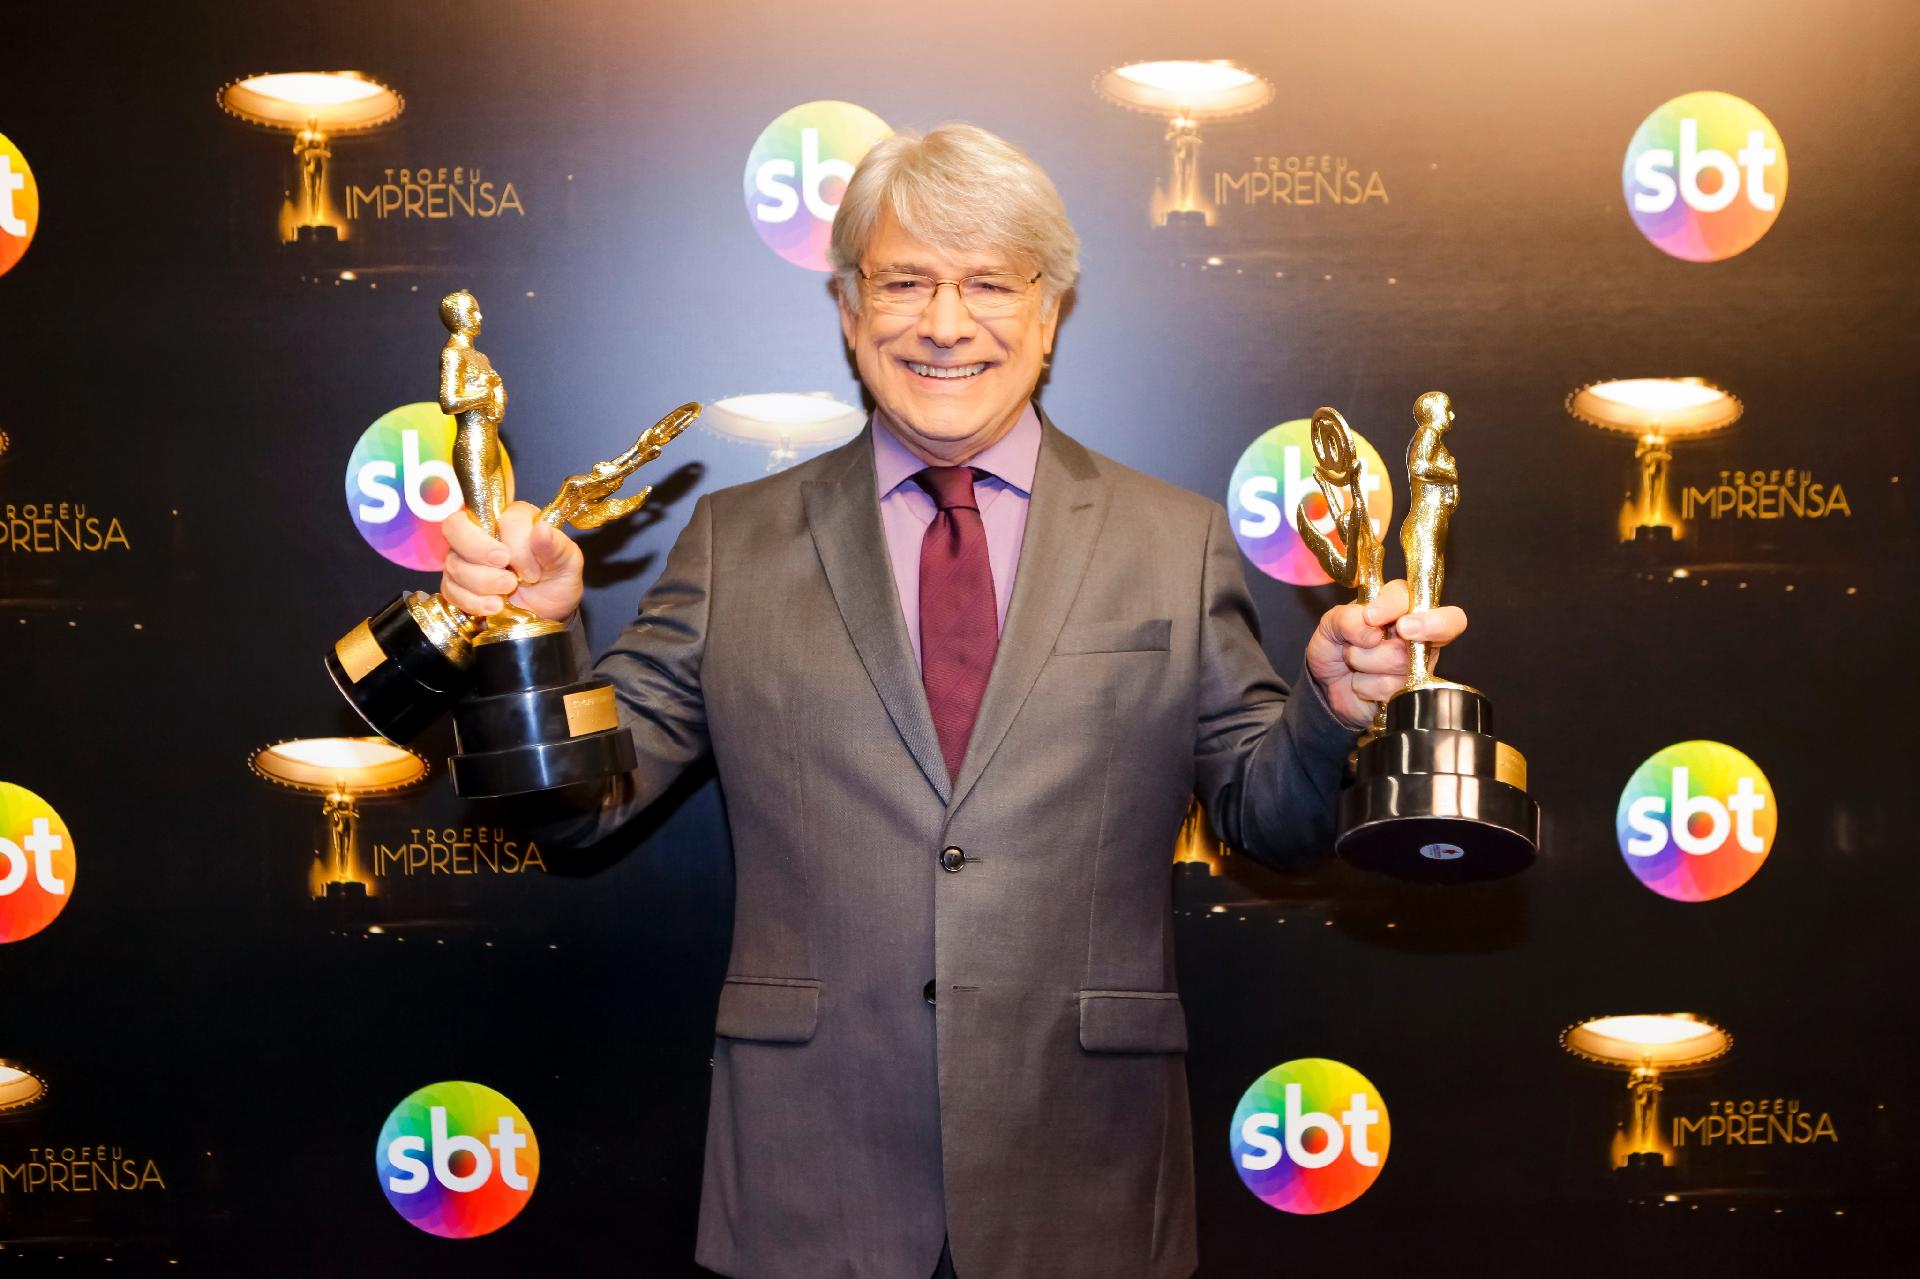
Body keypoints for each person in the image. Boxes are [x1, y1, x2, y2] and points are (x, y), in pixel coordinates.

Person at [439, 123, 1465, 1279]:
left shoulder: (1172, 542)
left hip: (1087, 1184)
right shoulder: (735, 543)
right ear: (845, 308)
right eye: (905, 281)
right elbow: (580, 809)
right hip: (808, 1188)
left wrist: (1328, 708)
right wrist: (528, 637)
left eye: (987, 282)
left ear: (1050, 312)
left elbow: (1267, 825)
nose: (943, 322)